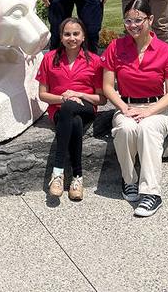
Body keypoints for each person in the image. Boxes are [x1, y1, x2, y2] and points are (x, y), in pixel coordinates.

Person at [102, 0, 168, 217]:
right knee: (125, 129)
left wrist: (150, 111)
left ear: (150, 20)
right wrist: (124, 108)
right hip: (127, 105)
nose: (133, 25)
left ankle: (151, 193)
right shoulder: (116, 47)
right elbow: (108, 87)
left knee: (147, 129)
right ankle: (129, 180)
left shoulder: (166, 51)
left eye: (138, 20)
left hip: (158, 108)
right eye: (128, 20)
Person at [36, 17, 105, 200]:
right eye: (67, 34)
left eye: (76, 34)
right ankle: (77, 176)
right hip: (59, 111)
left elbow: (102, 99)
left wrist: (80, 95)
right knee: (73, 119)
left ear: (83, 37)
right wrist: (64, 97)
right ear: (60, 36)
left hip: (87, 107)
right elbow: (43, 94)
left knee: (72, 110)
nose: (71, 38)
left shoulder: (95, 61)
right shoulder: (49, 59)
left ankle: (57, 172)